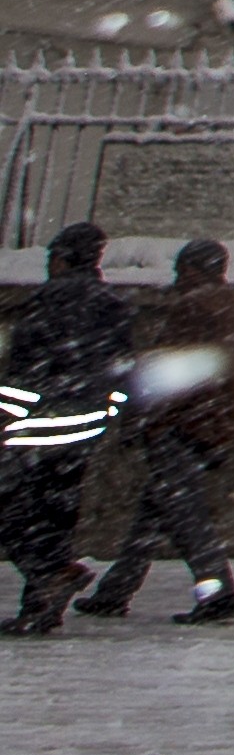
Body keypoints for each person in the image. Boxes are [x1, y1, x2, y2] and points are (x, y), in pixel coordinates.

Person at [81, 238, 234, 625]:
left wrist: (140, 418)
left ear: (195, 271)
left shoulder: (194, 307)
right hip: (213, 423)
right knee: (155, 511)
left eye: (182, 271)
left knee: (186, 515)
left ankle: (218, 594)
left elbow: (166, 371)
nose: (178, 280)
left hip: (180, 423)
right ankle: (115, 590)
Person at [1, 224, 137, 634]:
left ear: (62, 259)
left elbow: (26, 368)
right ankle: (42, 606)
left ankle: (51, 574)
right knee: (58, 511)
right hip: (87, 422)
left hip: (44, 422)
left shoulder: (49, 300)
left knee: (13, 508)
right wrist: (112, 412)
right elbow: (124, 366)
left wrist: (7, 413)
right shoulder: (113, 304)